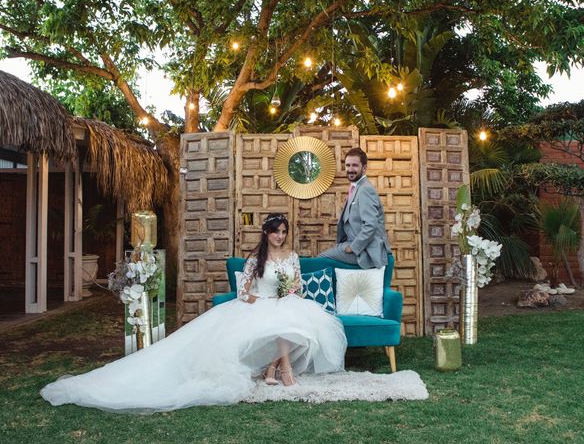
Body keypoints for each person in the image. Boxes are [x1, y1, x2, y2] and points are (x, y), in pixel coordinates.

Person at [40, 214, 347, 413]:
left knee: (293, 317)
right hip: (258, 303)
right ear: (266, 233)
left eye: (283, 232)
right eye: (275, 232)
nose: (280, 236)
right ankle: (282, 370)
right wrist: (254, 300)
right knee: (282, 319)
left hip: (284, 301)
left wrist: (289, 293)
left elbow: (296, 283)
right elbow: (244, 290)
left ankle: (273, 369)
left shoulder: (292, 256)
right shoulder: (256, 258)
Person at [320, 147, 391, 269]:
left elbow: (371, 225)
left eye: (355, 165)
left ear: (364, 168)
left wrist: (353, 247)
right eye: (347, 165)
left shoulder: (365, 189)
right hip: (352, 245)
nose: (350, 169)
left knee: (320, 260)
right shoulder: (356, 187)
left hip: (366, 251)